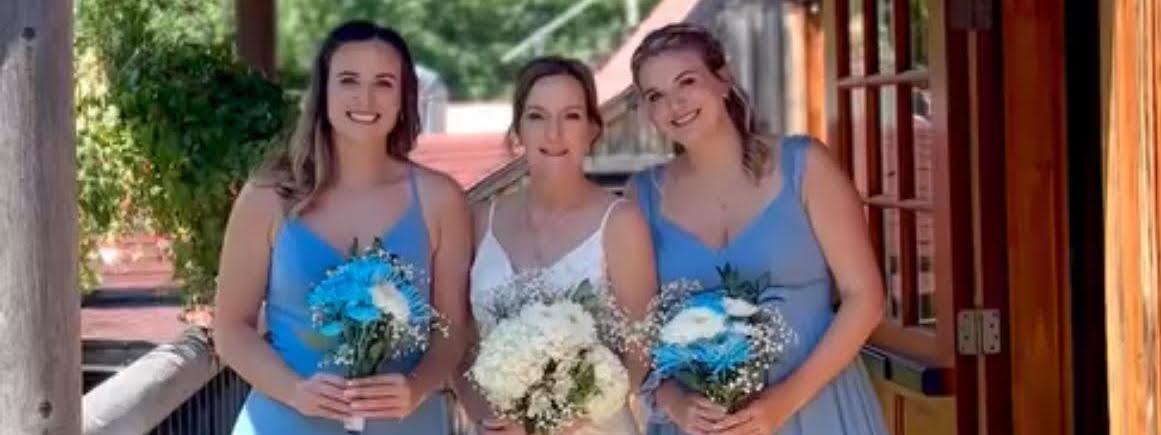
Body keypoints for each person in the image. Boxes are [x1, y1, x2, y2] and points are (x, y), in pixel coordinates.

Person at [626, 23, 888, 435]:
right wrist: (674, 404)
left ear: (723, 79)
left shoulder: (805, 165)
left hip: (818, 411)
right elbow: (637, 332)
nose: (674, 104)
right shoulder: (641, 195)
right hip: (703, 426)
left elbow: (866, 297)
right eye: (655, 96)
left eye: (687, 82)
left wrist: (783, 402)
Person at [214, 20, 472, 434]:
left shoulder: (441, 200)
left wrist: (417, 387)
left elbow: (453, 329)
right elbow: (230, 328)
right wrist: (294, 390)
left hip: (406, 424)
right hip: (285, 423)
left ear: (404, 98)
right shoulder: (267, 197)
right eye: (348, 80)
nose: (365, 98)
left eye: (384, 83)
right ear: (323, 93)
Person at [455, 56, 657, 435]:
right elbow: (459, 341)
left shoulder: (621, 223)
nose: (554, 134)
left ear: (592, 129)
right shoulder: (480, 220)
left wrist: (563, 418)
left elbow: (640, 348)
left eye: (571, 116)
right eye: (537, 117)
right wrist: (482, 415)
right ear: (518, 130)